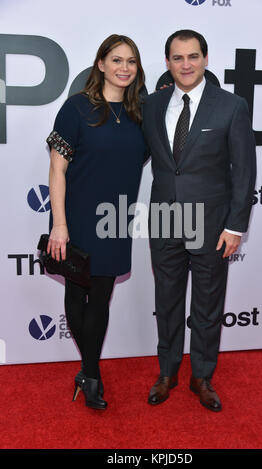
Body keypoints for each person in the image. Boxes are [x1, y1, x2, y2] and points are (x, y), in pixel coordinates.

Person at [142, 30, 256, 411]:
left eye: (193, 56)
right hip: (165, 218)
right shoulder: (153, 105)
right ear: (168, 63)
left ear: (206, 59)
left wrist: (236, 225)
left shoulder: (231, 105)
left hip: (212, 223)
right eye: (177, 58)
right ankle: (167, 372)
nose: (186, 65)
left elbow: (243, 170)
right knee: (168, 299)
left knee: (208, 303)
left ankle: (202, 376)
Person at [46, 34, 146, 410]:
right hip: (76, 216)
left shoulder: (139, 113)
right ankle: (92, 374)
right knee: (77, 292)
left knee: (101, 296)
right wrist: (60, 224)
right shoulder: (76, 109)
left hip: (116, 217)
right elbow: (57, 168)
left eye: (131, 61)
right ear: (100, 64)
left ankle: (87, 372)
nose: (124, 68)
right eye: (116, 60)